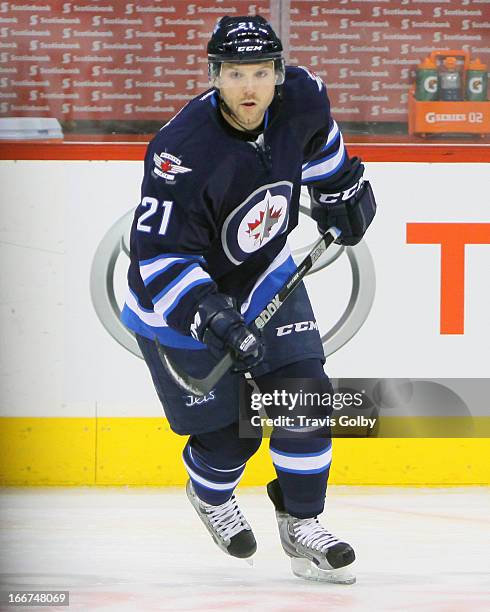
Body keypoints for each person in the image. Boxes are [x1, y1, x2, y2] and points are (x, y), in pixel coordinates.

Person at [121, 15, 376, 583]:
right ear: (215, 76)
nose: (250, 87)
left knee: (304, 393)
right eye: (235, 73)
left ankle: (303, 524)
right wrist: (212, 317)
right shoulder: (180, 151)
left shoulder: (303, 97)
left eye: (261, 72)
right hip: (179, 306)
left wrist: (341, 192)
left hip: (264, 276)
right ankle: (209, 491)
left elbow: (320, 145)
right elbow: (160, 258)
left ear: (278, 73)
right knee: (230, 435)